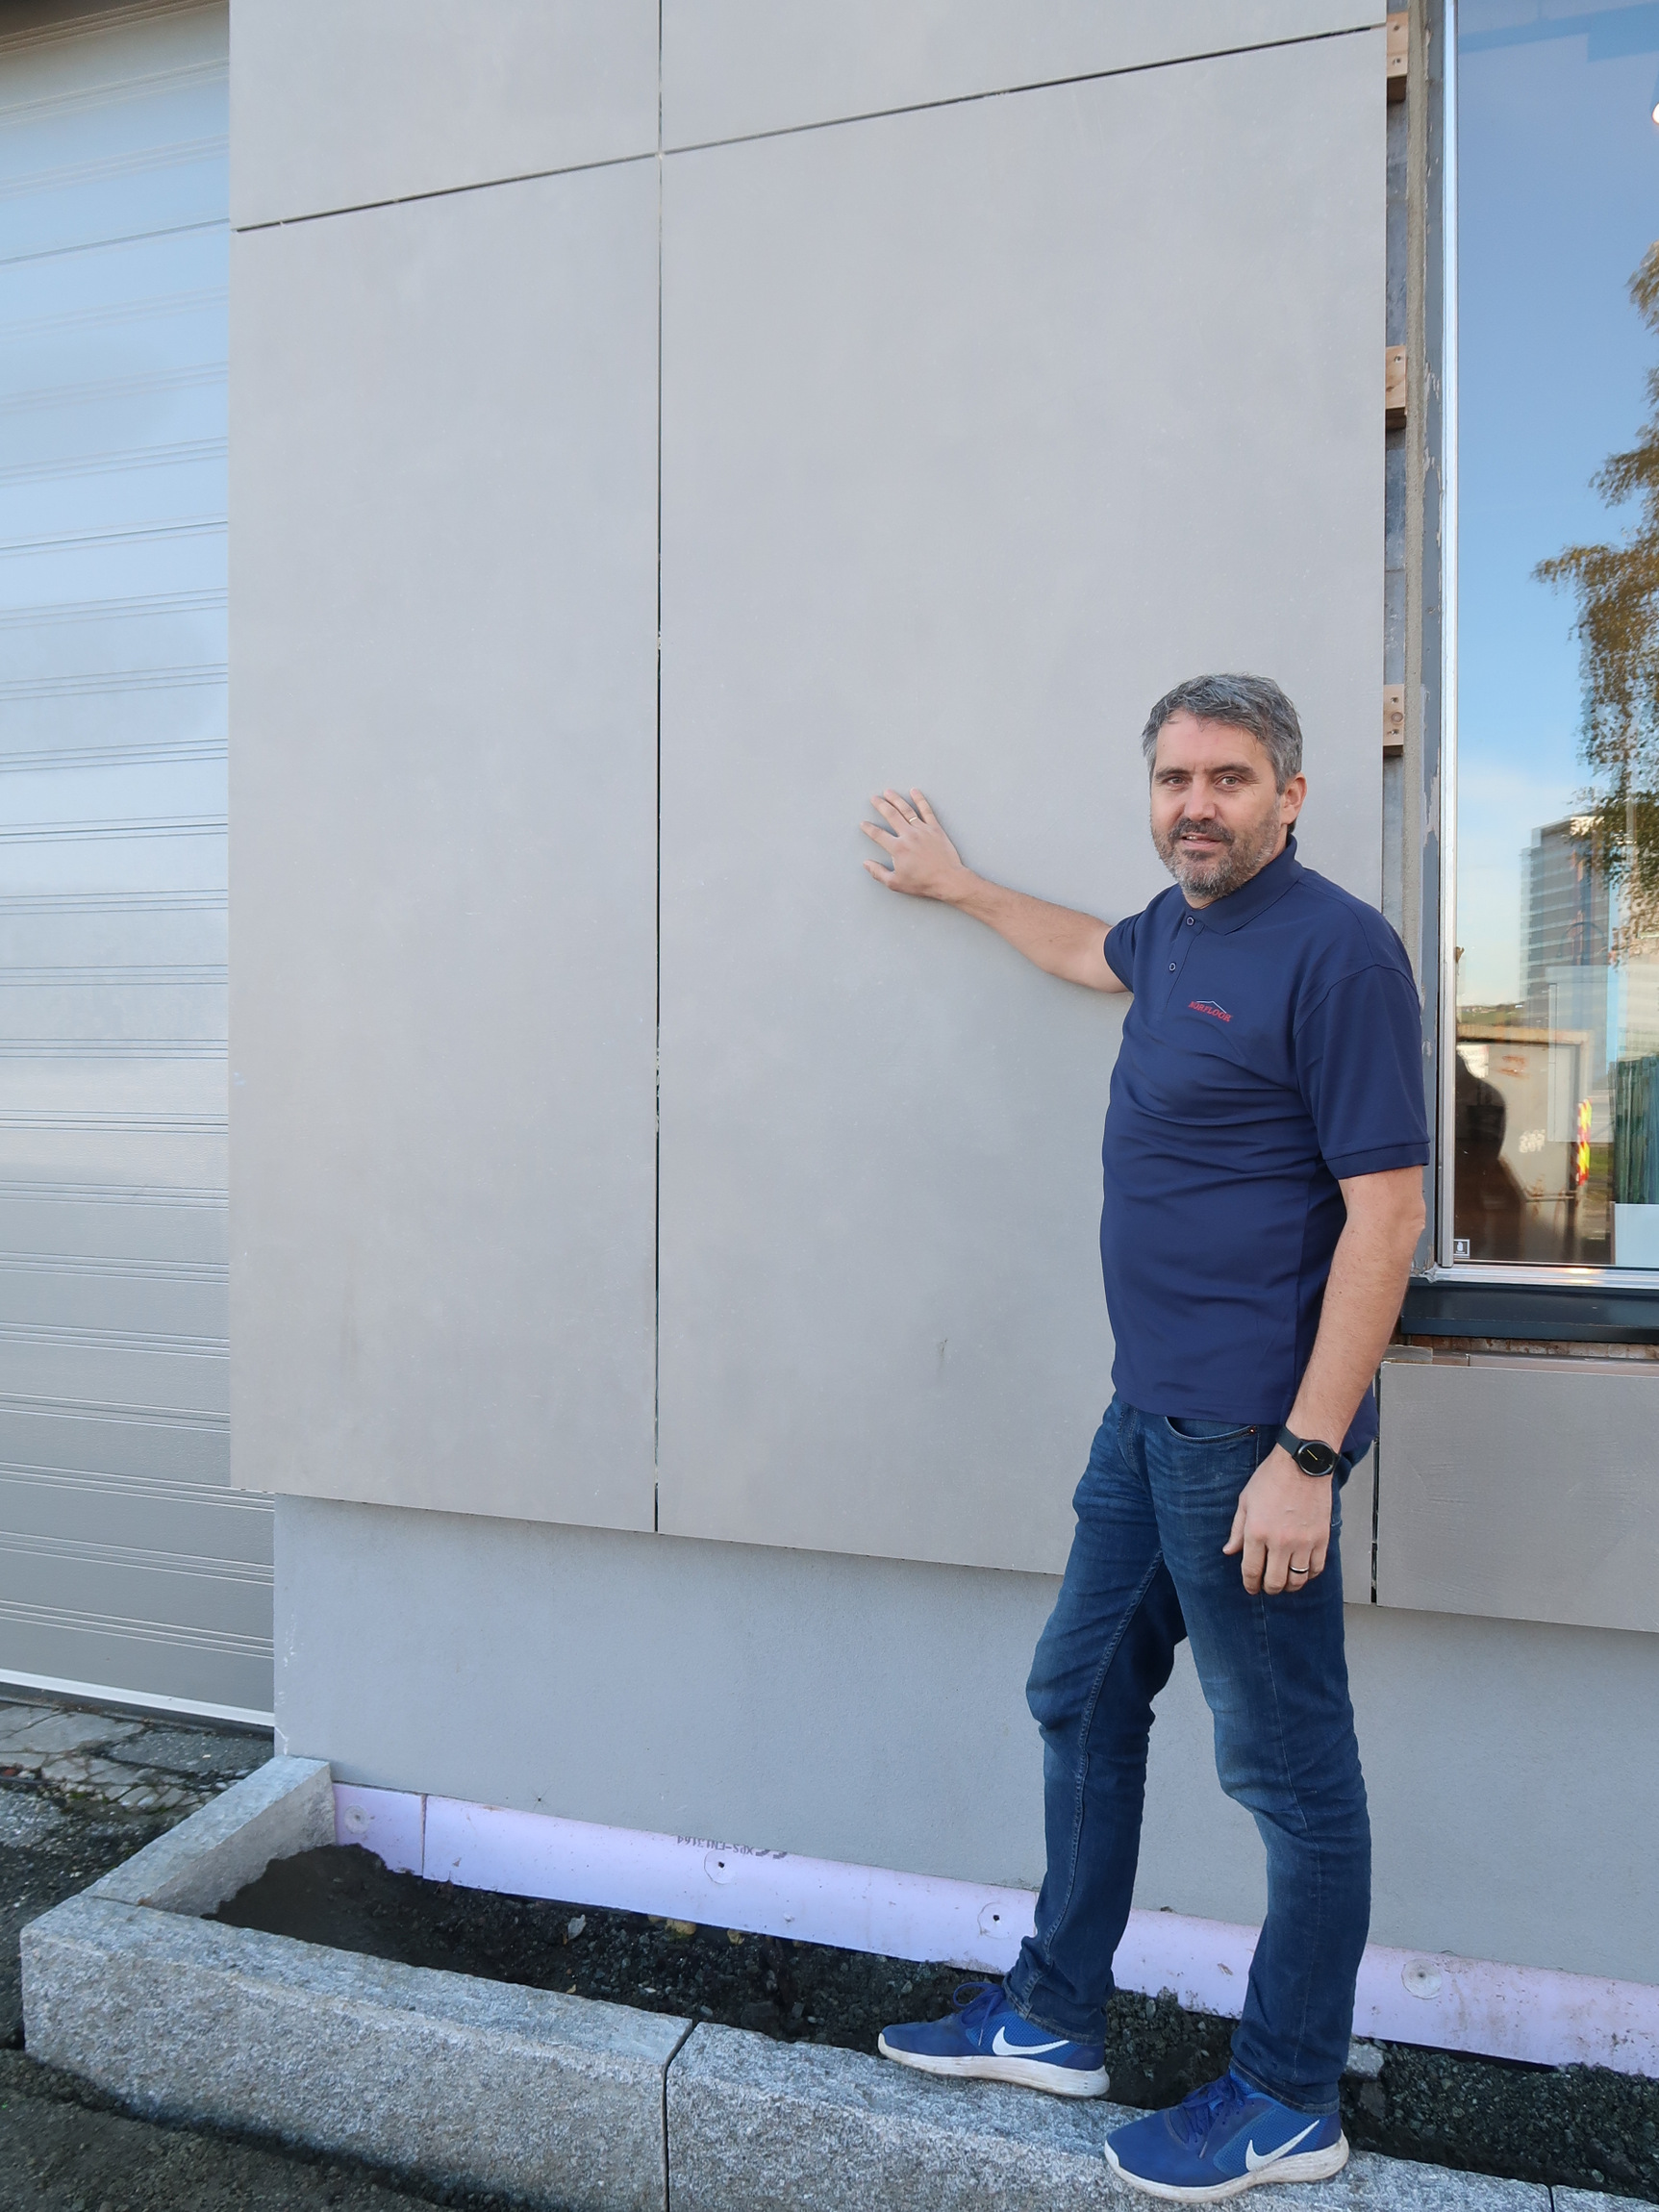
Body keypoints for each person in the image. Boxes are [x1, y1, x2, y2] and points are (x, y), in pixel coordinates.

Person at [860, 675, 1428, 2201]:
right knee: (1079, 1691)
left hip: (1250, 1436)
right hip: (1147, 1414)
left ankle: (1288, 2097)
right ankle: (1054, 2014)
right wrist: (959, 885)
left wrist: (1305, 1459)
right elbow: (1083, 949)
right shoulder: (1175, 931)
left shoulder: (1337, 953)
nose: (1196, 804)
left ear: (1289, 796)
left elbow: (1386, 1219)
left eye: (1228, 779)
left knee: (1288, 1773)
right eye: (1175, 778)